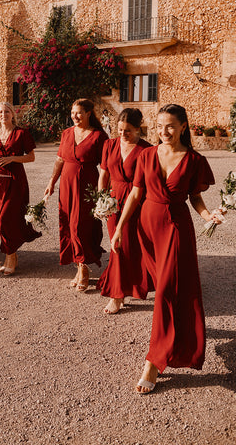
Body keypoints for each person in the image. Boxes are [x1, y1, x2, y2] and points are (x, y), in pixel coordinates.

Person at [111, 104, 223, 393]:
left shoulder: (194, 159)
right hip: (146, 230)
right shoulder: (146, 154)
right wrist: (121, 227)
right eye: (160, 126)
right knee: (165, 288)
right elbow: (136, 194)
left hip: (175, 228)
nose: (164, 131)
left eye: (170, 126)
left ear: (184, 126)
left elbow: (195, 197)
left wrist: (207, 215)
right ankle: (174, 338)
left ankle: (153, 360)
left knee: (165, 292)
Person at [44, 98, 108, 291]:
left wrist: (102, 193)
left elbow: (106, 166)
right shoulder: (67, 133)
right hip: (66, 184)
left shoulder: (99, 136)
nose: (75, 116)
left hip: (87, 186)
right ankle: (80, 266)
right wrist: (51, 182)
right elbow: (59, 160)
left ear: (89, 113)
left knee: (80, 225)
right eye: (73, 113)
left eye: (79, 112)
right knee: (67, 224)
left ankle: (84, 267)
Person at [96, 108, 152, 313]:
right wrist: (100, 199)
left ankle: (123, 289)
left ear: (138, 129)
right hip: (112, 200)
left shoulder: (147, 150)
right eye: (119, 129)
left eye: (127, 130)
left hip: (137, 201)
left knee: (131, 245)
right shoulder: (109, 145)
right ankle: (117, 293)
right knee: (116, 244)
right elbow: (103, 175)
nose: (122, 134)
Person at [0, 102, 41, 276]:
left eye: (7, 111)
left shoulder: (22, 133)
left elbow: (31, 157)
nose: (3, 114)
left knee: (5, 219)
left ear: (12, 114)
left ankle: (11, 257)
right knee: (4, 219)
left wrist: (12, 158)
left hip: (16, 181)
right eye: (0, 112)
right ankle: (10, 255)